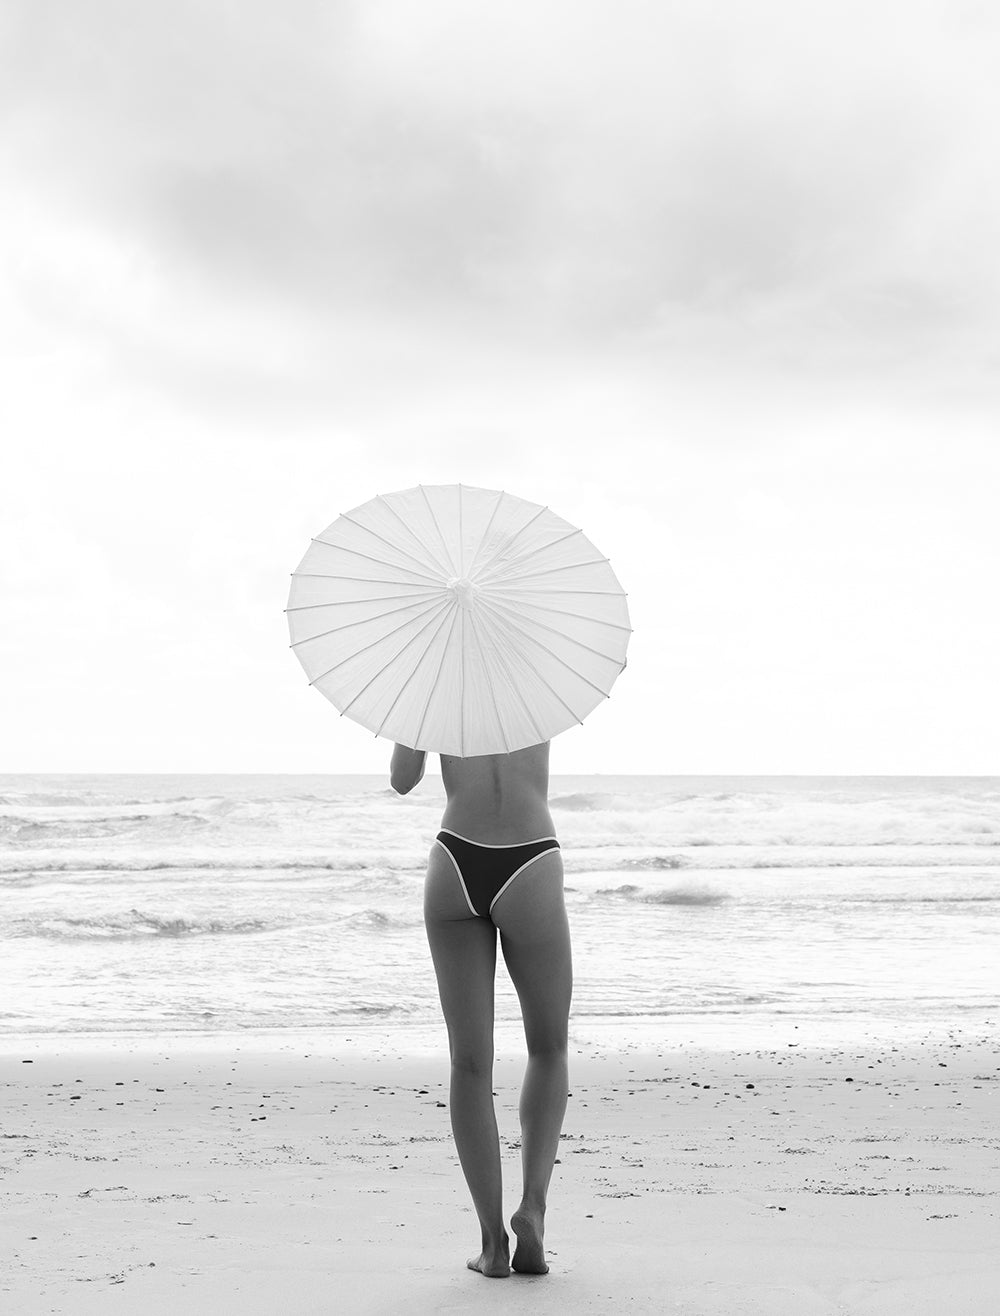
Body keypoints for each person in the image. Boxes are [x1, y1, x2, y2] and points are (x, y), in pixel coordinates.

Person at [390, 740, 571, 1279]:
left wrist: (415, 726)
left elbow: (402, 779)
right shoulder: (538, 666)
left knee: (468, 1064)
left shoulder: (435, 682)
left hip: (456, 858)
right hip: (530, 854)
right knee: (548, 1046)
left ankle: (493, 1246)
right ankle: (532, 1208)